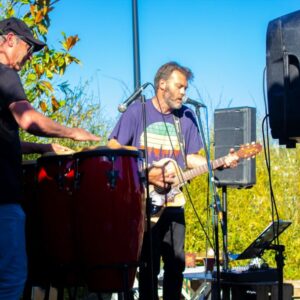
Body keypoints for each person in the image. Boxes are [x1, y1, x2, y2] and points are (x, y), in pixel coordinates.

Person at [109, 61, 238, 300]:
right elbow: (113, 146)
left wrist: (222, 161)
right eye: (179, 87)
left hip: (175, 201)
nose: (183, 93)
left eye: (185, 88)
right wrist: (146, 172)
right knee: (148, 265)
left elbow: (190, 158)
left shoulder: (186, 116)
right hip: (144, 201)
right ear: (162, 85)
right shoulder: (138, 112)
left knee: (176, 264)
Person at [0, 17, 100, 300]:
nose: (30, 55)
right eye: (29, 47)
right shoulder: (5, 74)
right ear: (9, 40)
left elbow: (8, 141)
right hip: (3, 200)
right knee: (10, 280)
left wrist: (42, 149)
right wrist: (73, 132)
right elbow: (28, 119)